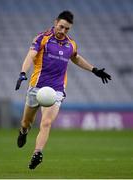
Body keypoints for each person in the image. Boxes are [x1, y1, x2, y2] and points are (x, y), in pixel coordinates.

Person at [15, 10, 111, 169]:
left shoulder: (71, 43)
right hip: (36, 87)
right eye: (61, 27)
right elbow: (31, 55)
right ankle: (23, 132)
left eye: (67, 29)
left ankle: (37, 153)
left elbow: (76, 58)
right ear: (55, 23)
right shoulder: (42, 38)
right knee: (26, 122)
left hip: (56, 90)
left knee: (46, 122)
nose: (63, 31)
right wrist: (23, 72)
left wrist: (94, 70)